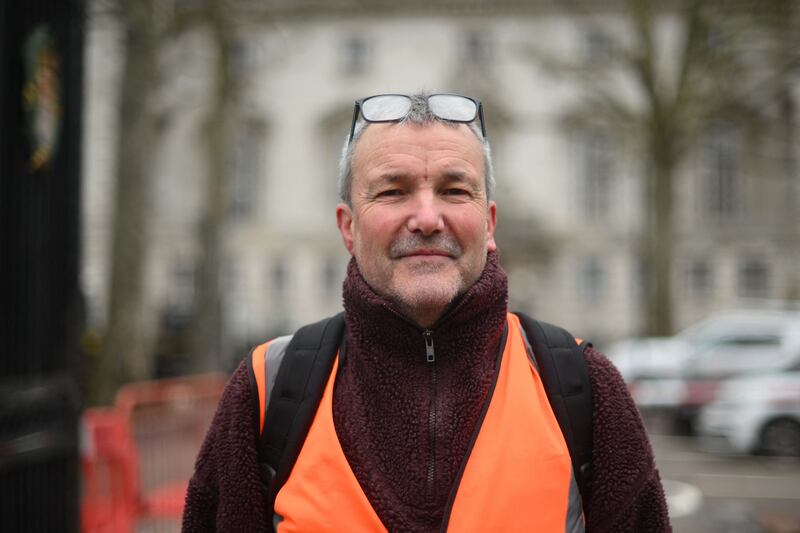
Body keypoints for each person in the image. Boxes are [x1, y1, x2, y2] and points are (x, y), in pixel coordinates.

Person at [182, 93, 671, 532]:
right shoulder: (266, 393)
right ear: (348, 227)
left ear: (489, 222)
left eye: (455, 191)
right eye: (392, 191)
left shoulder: (584, 389)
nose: (427, 218)